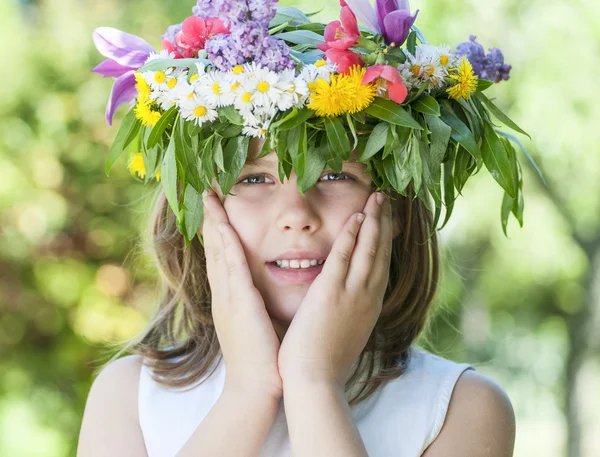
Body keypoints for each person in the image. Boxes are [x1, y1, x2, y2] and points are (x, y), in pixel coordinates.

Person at [78, 0, 527, 456]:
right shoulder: (130, 399)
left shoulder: (460, 410)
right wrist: (249, 392)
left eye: (334, 175)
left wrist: (315, 383)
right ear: (197, 209)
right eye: (253, 178)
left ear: (394, 209)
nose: (296, 213)